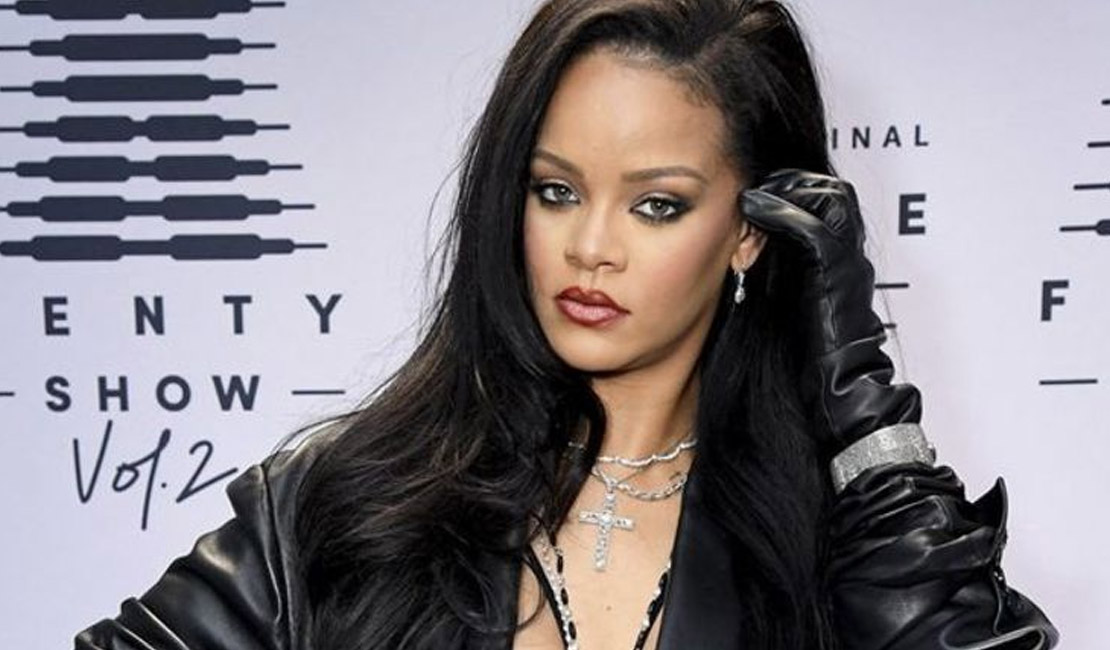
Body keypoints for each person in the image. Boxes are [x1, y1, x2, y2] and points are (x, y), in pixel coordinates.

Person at [75, 0, 1058, 648]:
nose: (590, 247)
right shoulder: (345, 501)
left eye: (656, 205)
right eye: (556, 190)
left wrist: (860, 398)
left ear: (750, 230)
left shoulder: (828, 543)